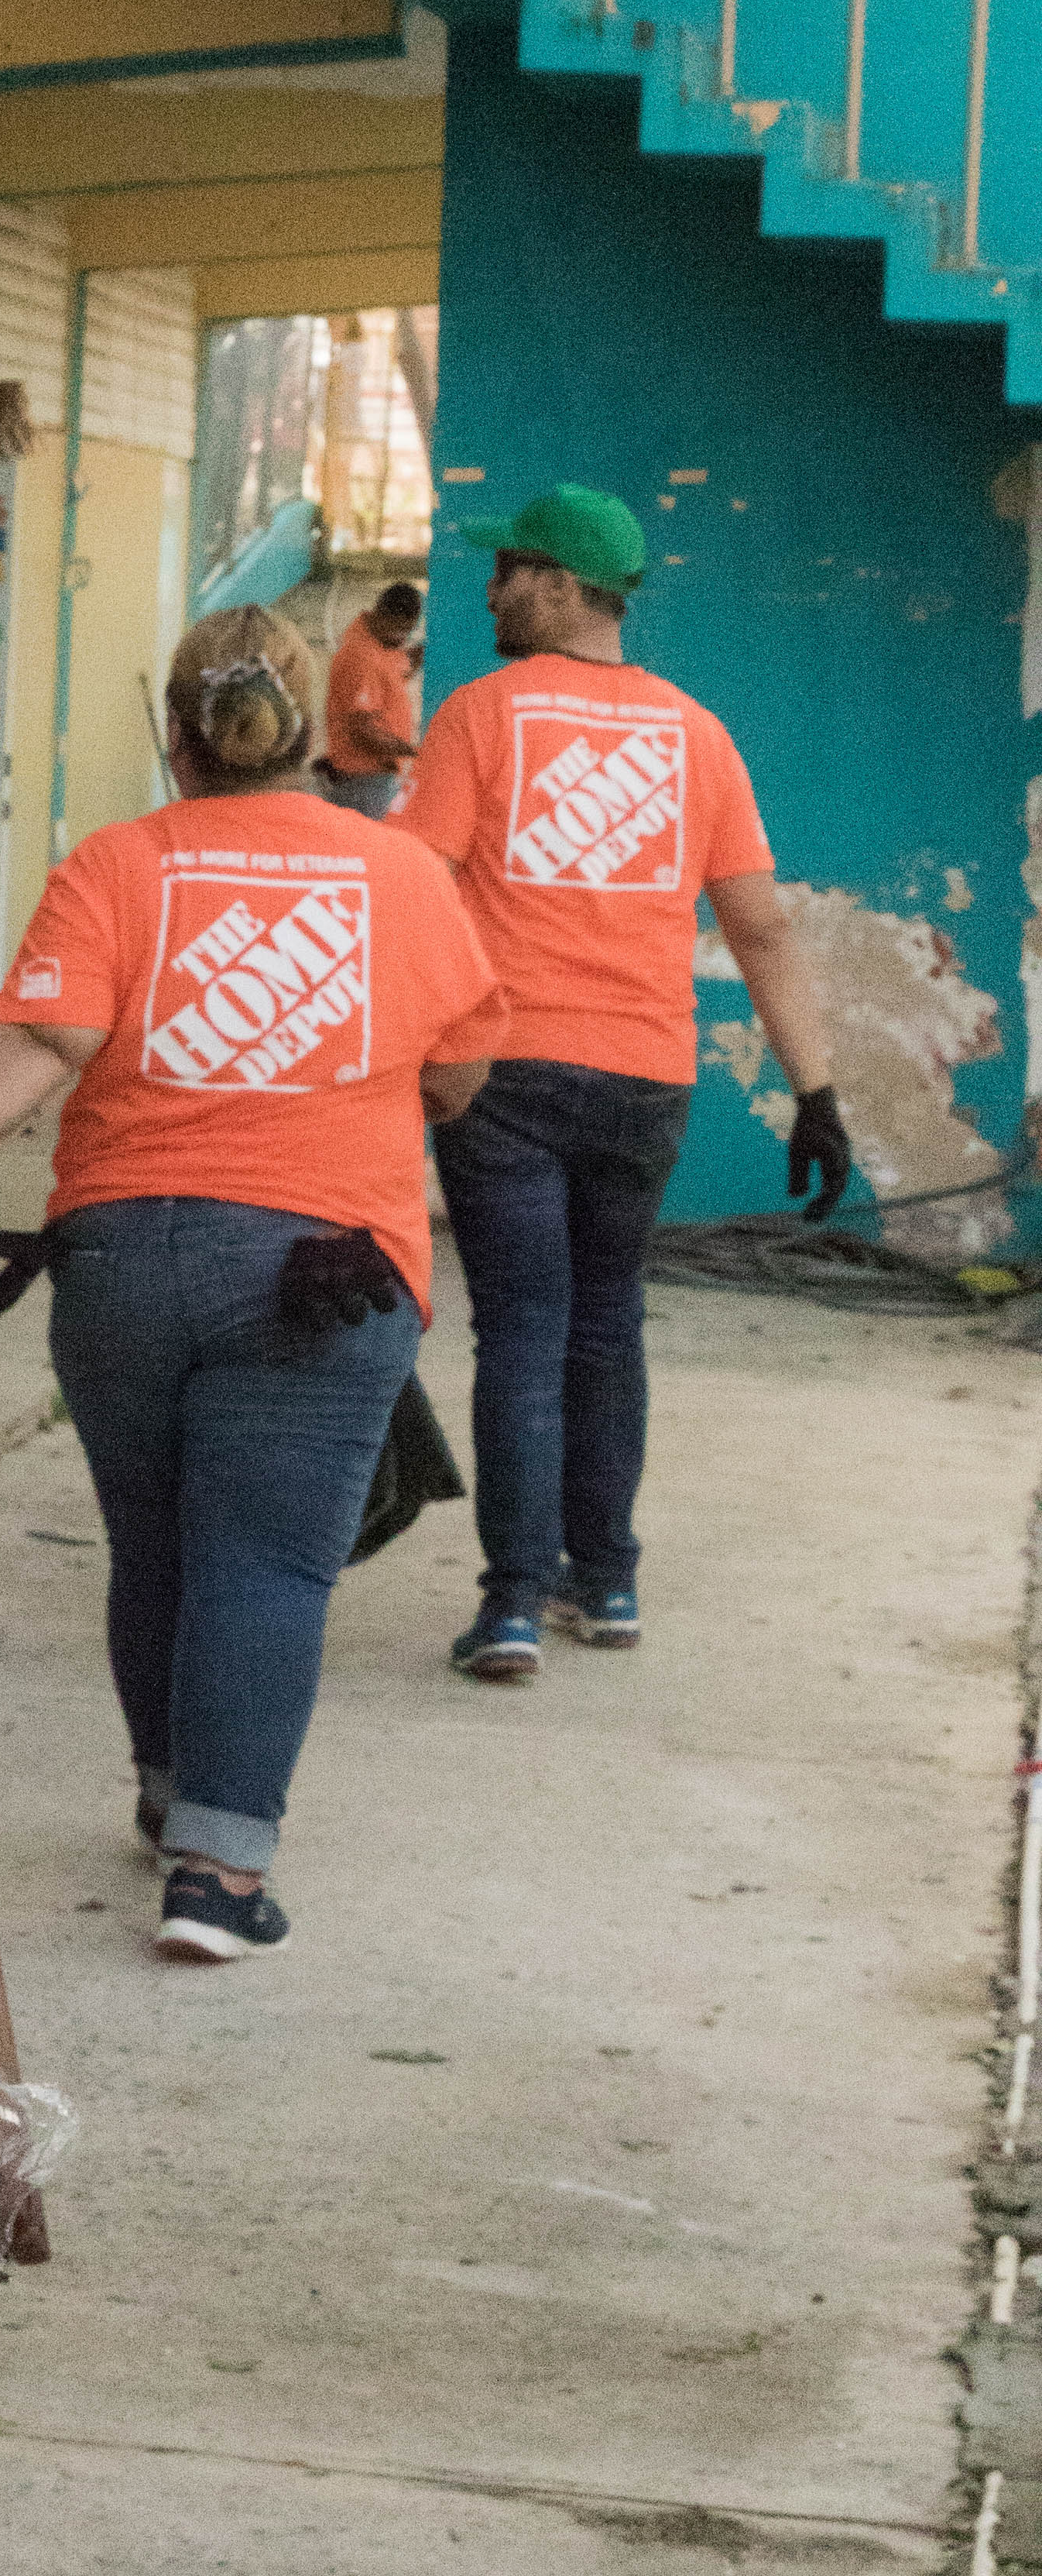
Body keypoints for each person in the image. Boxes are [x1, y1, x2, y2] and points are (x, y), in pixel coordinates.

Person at [0, 605, 502, 1960]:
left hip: (119, 1262)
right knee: (267, 1565)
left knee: (157, 1545)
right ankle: (216, 1876)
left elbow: (43, 1036)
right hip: (320, 1270)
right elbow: (460, 1076)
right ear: (306, 736)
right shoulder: (400, 875)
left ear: (176, 736)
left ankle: (169, 1790)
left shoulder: (116, 863)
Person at [392, 483, 849, 1681]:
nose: (489, 591)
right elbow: (760, 928)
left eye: (506, 571)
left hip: (507, 1072)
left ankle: (510, 1607)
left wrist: (391, 1053)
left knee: (526, 1330)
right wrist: (818, 1093)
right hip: (647, 1078)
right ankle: (609, 1583)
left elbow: (408, 892)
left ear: (554, 582)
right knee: (605, 1325)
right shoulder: (697, 733)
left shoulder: (482, 717)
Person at [318, 577, 424, 816]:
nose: (401, 638)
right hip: (361, 776)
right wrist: (412, 752)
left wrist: (418, 656)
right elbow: (363, 729)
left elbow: (393, 677)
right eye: (397, 629)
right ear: (381, 613)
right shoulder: (361, 657)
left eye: (407, 632)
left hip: (378, 773)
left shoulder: (382, 645)